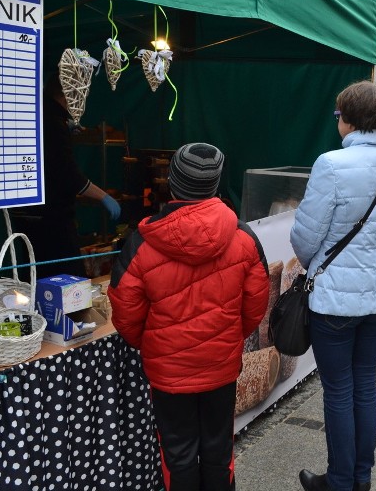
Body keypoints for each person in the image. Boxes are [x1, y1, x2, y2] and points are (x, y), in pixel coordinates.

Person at [108, 143, 270, 491]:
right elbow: (255, 307)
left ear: (173, 182)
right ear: (214, 185)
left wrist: (156, 344)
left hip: (169, 373)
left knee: (177, 456)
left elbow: (125, 314)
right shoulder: (243, 237)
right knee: (218, 449)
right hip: (220, 365)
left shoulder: (141, 243)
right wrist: (225, 338)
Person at [291, 81, 376, 491]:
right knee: (364, 384)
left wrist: (316, 266)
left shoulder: (330, 164)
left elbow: (305, 239)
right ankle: (361, 477)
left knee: (339, 390)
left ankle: (341, 479)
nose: (336, 121)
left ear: (350, 119)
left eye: (338, 115)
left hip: (335, 299)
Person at [11, 75, 121, 279]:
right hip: (49, 217)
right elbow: (67, 174)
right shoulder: (52, 122)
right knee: (66, 276)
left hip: (25, 211)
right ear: (66, 94)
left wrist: (65, 126)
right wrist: (103, 196)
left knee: (35, 270)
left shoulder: (39, 113)